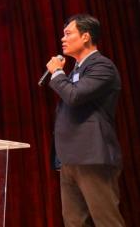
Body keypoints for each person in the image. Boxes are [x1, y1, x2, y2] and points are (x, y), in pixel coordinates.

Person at [45, 14, 124, 226]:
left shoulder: (102, 66)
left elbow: (74, 96)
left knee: (106, 220)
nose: (62, 39)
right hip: (70, 159)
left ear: (86, 36)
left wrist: (57, 72)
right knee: (74, 222)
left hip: (92, 156)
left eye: (68, 34)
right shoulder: (75, 71)